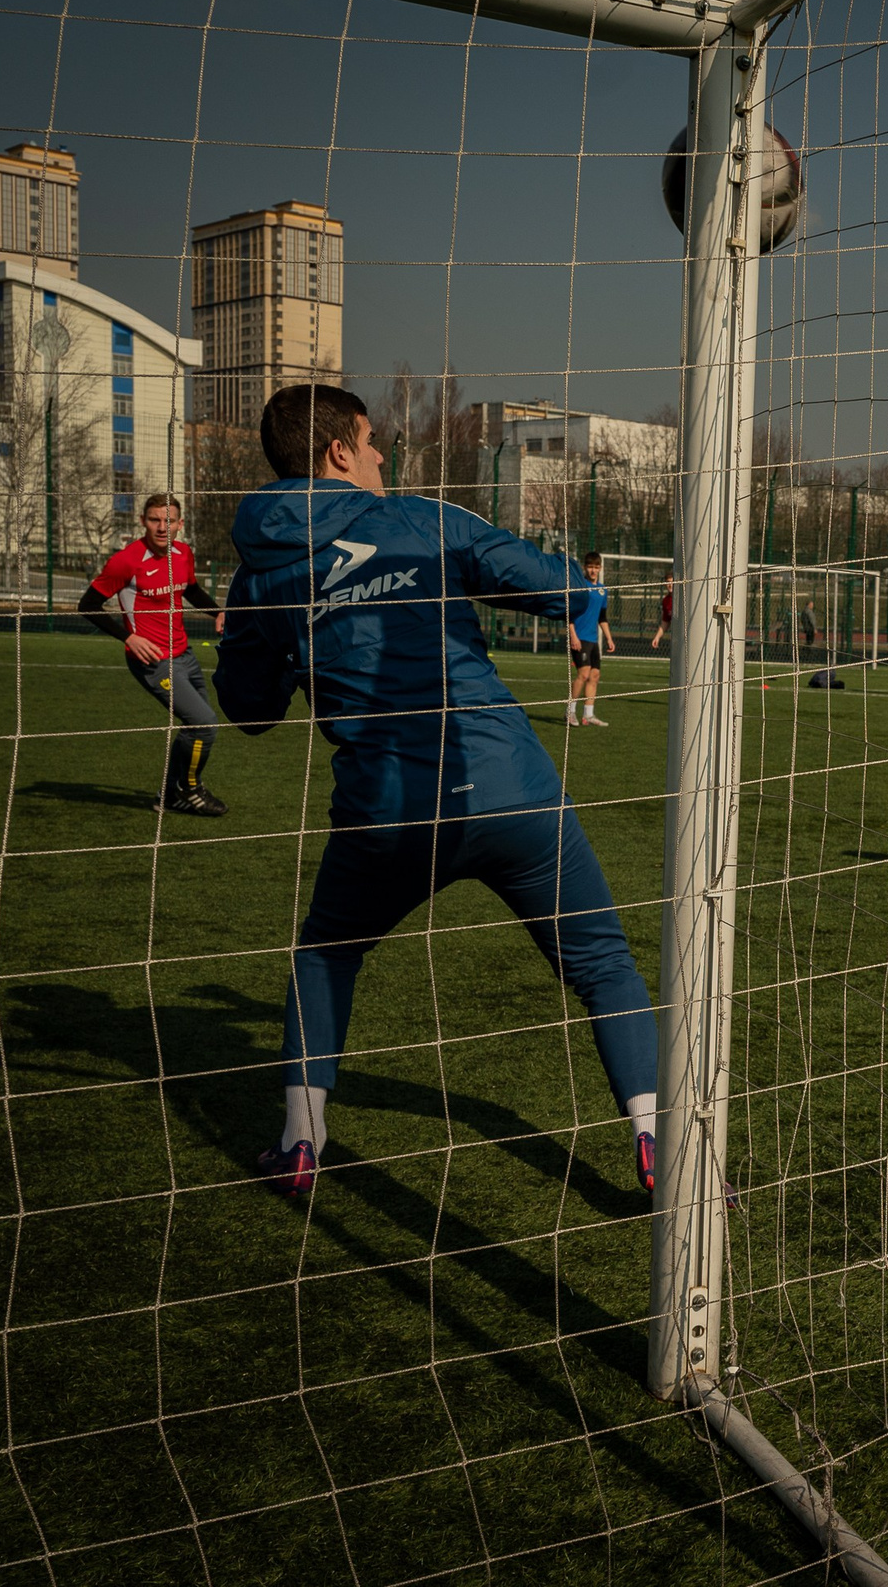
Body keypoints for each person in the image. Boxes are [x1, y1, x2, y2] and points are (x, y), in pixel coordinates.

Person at [215, 384, 658, 1197]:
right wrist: (582, 591)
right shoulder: (426, 521)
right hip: (509, 789)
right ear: (338, 451)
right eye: (373, 438)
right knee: (601, 962)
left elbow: (247, 714)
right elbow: (562, 590)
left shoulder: (260, 572)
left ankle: (300, 1144)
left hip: (384, 813)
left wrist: (277, 643)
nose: (384, 454)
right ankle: (658, 1142)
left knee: (326, 955)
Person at [79, 493, 228, 816]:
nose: (162, 527)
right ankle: (189, 790)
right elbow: (87, 605)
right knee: (204, 723)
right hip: (153, 662)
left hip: (185, 655)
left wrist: (217, 612)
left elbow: (189, 589)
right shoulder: (126, 561)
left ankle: (170, 795)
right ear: (143, 521)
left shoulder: (183, 553)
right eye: (155, 520)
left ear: (180, 524)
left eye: (169, 520)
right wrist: (129, 637)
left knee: (195, 724)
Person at [566, 551, 613, 726]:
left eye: (596, 567)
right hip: (579, 638)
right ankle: (570, 712)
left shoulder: (602, 590)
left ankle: (588, 715)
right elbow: (569, 614)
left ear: (600, 568)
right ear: (585, 567)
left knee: (594, 676)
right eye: (590, 567)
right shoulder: (580, 586)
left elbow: (602, 617)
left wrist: (609, 638)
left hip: (593, 640)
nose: (593, 570)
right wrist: (573, 636)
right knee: (583, 674)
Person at [651, 575, 674, 651]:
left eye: (672, 582)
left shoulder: (684, 598)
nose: (670, 585)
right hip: (676, 637)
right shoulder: (665, 601)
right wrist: (657, 637)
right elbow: (665, 622)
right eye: (668, 582)